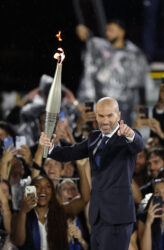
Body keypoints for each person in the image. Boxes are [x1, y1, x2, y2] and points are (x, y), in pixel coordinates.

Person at [39, 97, 144, 250]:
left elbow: (138, 144)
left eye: (110, 115)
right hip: (97, 215)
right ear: (96, 116)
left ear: (119, 115)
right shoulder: (94, 138)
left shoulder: (126, 137)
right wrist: (49, 147)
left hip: (118, 216)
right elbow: (70, 153)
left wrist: (130, 135)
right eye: (101, 115)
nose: (105, 120)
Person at [77, 20, 151, 125]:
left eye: (111, 30)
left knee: (122, 136)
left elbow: (140, 80)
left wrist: (142, 104)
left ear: (121, 32)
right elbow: (89, 42)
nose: (107, 33)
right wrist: (81, 31)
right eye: (107, 30)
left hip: (124, 106)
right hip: (102, 103)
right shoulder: (101, 49)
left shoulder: (134, 53)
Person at [11, 175, 68, 250]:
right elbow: (19, 242)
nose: (43, 190)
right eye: (37, 186)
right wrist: (23, 212)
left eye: (48, 186)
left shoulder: (59, 214)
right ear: (31, 191)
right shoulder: (21, 215)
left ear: (52, 192)